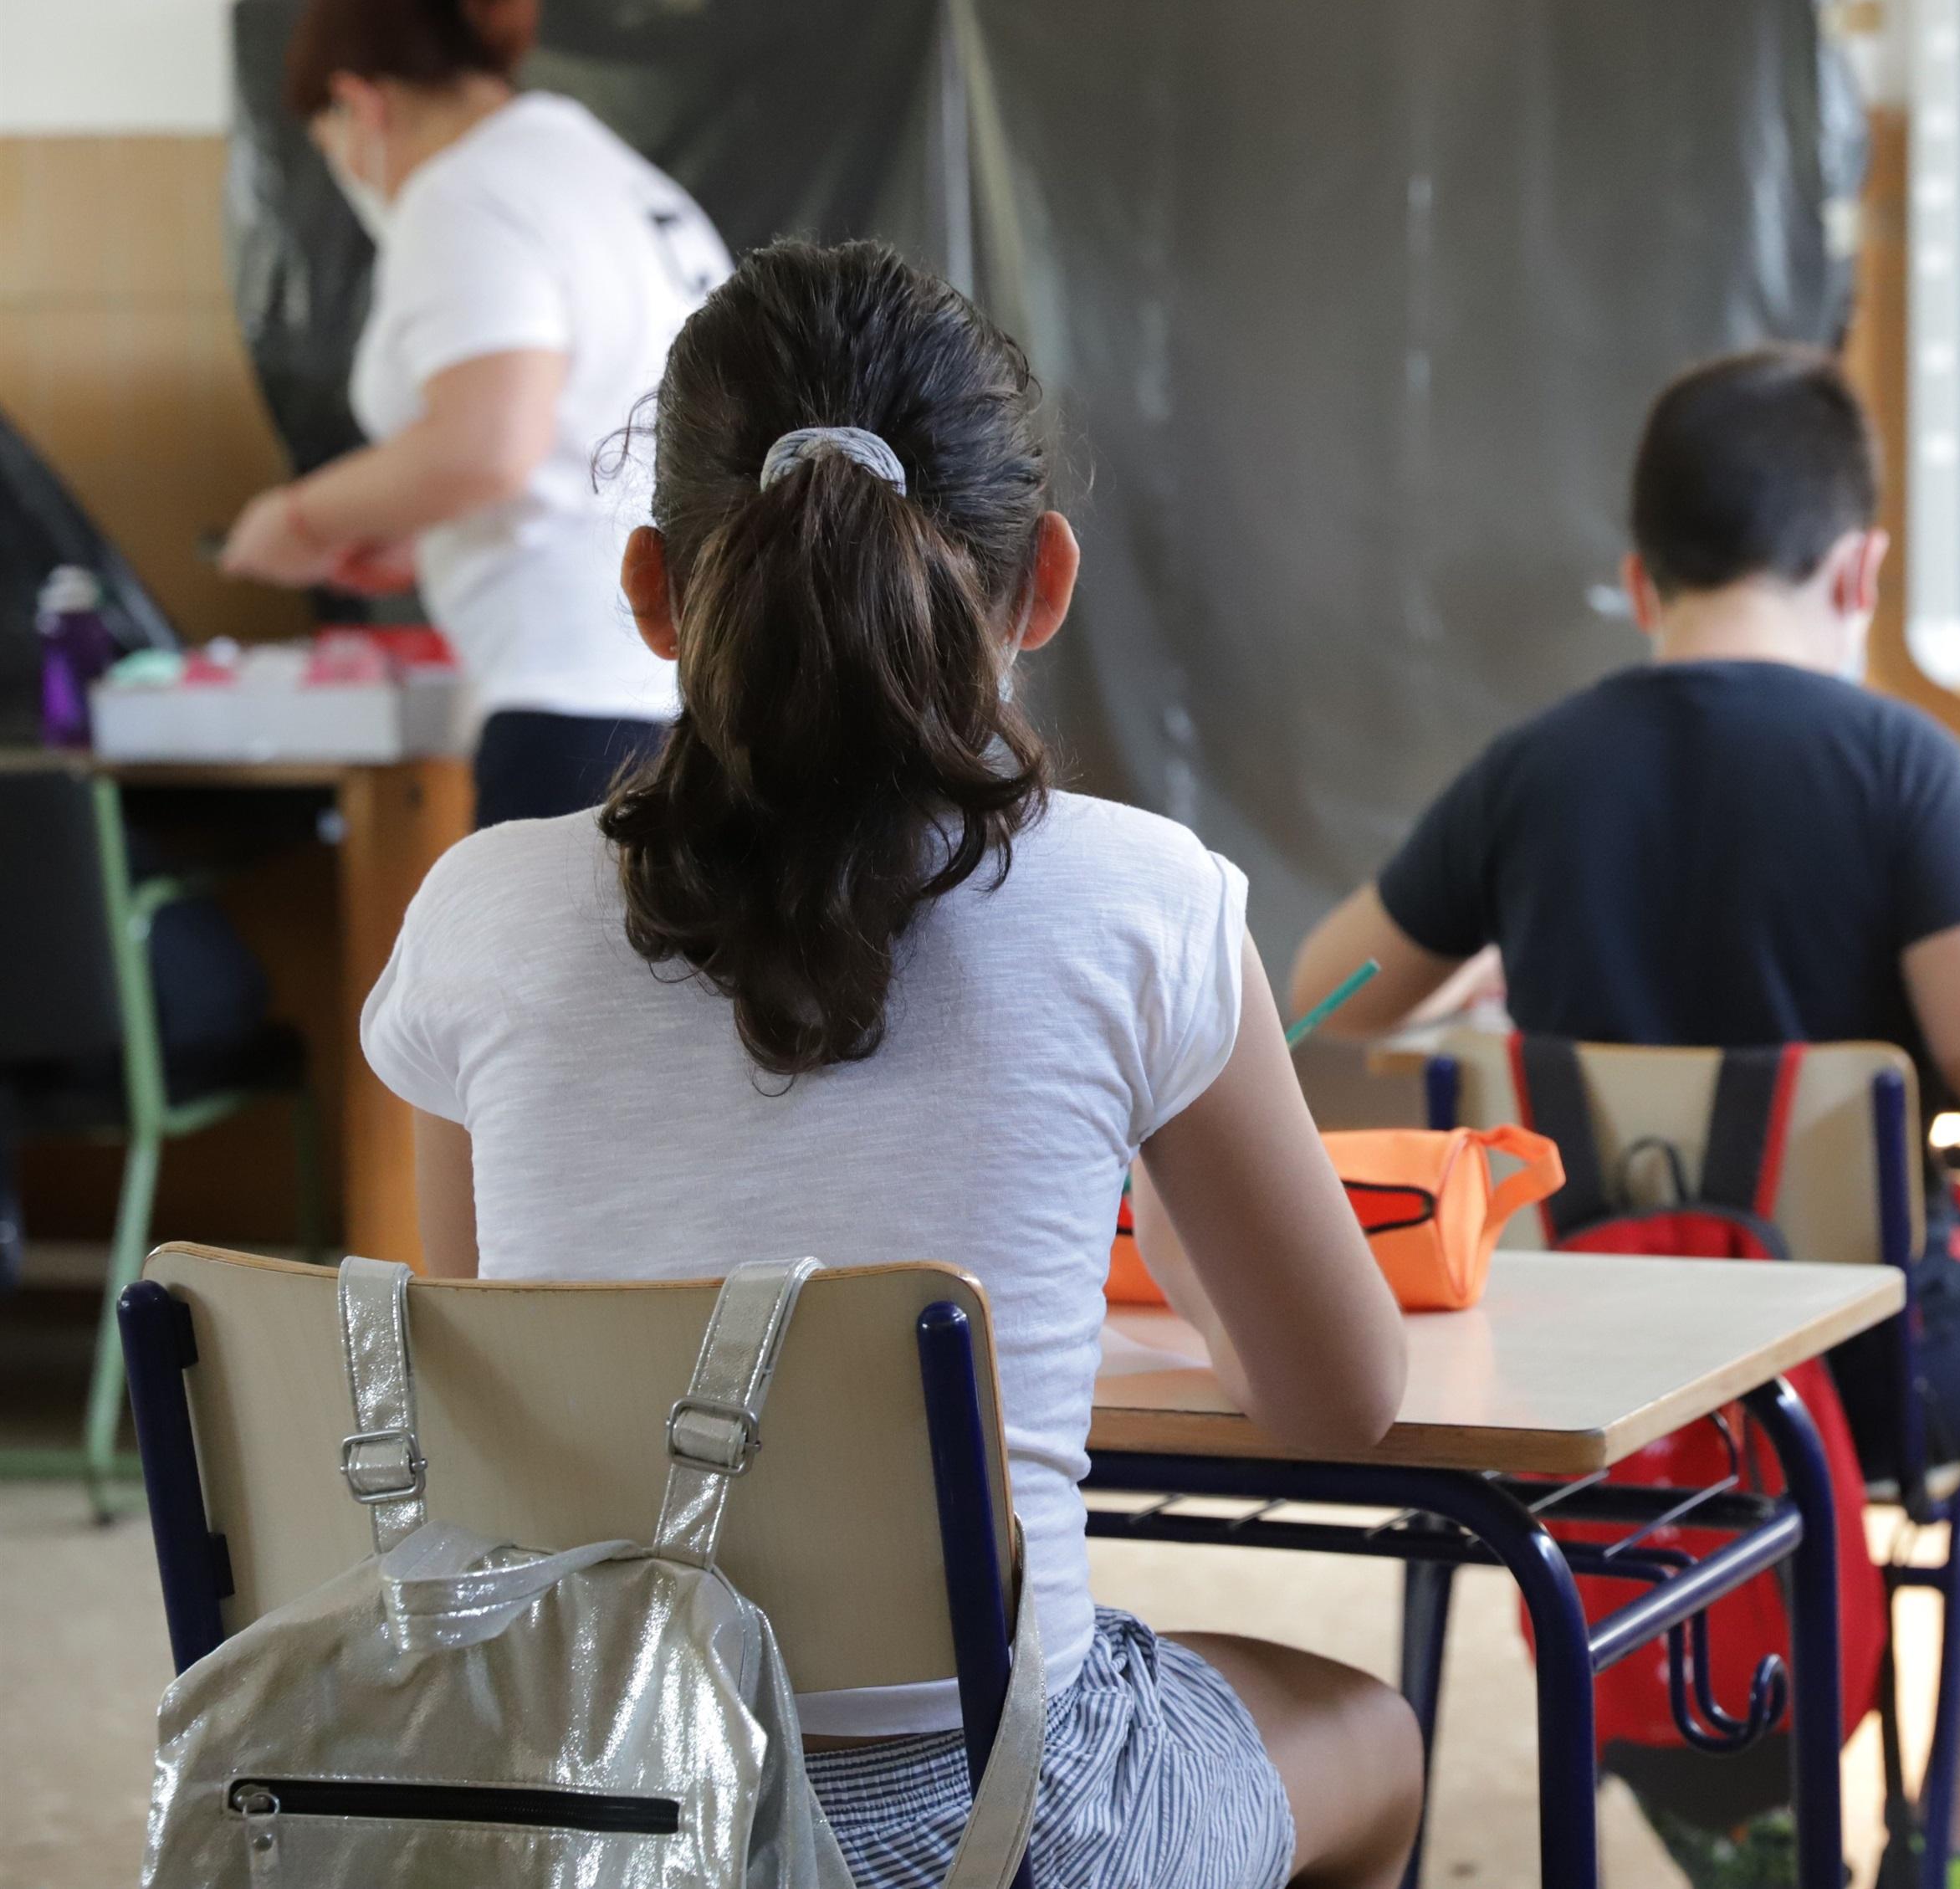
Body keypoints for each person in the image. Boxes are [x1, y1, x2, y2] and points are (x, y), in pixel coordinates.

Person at [358, 241, 1423, 1889]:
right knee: (1370, 1728)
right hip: (998, 1839)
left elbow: (502, 1374)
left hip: (584, 1825)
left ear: (649, 589)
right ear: (1044, 579)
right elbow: (1339, 1397)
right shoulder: (1143, 904)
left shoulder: (476, 913)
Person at [1289, 347, 1960, 1889]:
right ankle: (1958, 1840)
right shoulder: (1894, 760)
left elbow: (1319, 999)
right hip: (1872, 1366)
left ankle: (1730, 1800)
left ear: (1637, 576)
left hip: (1591, 1371)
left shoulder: (1529, 771)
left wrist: (1471, 971)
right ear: (1862, 566)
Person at [223, 0, 729, 829]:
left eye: (329, 140)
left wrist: (299, 518)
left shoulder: (463, 194)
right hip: (686, 676)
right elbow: (580, 440)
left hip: (572, 696)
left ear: (358, 102)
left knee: (547, 967)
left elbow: (488, 444)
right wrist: (424, 528)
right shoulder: (608, 178)